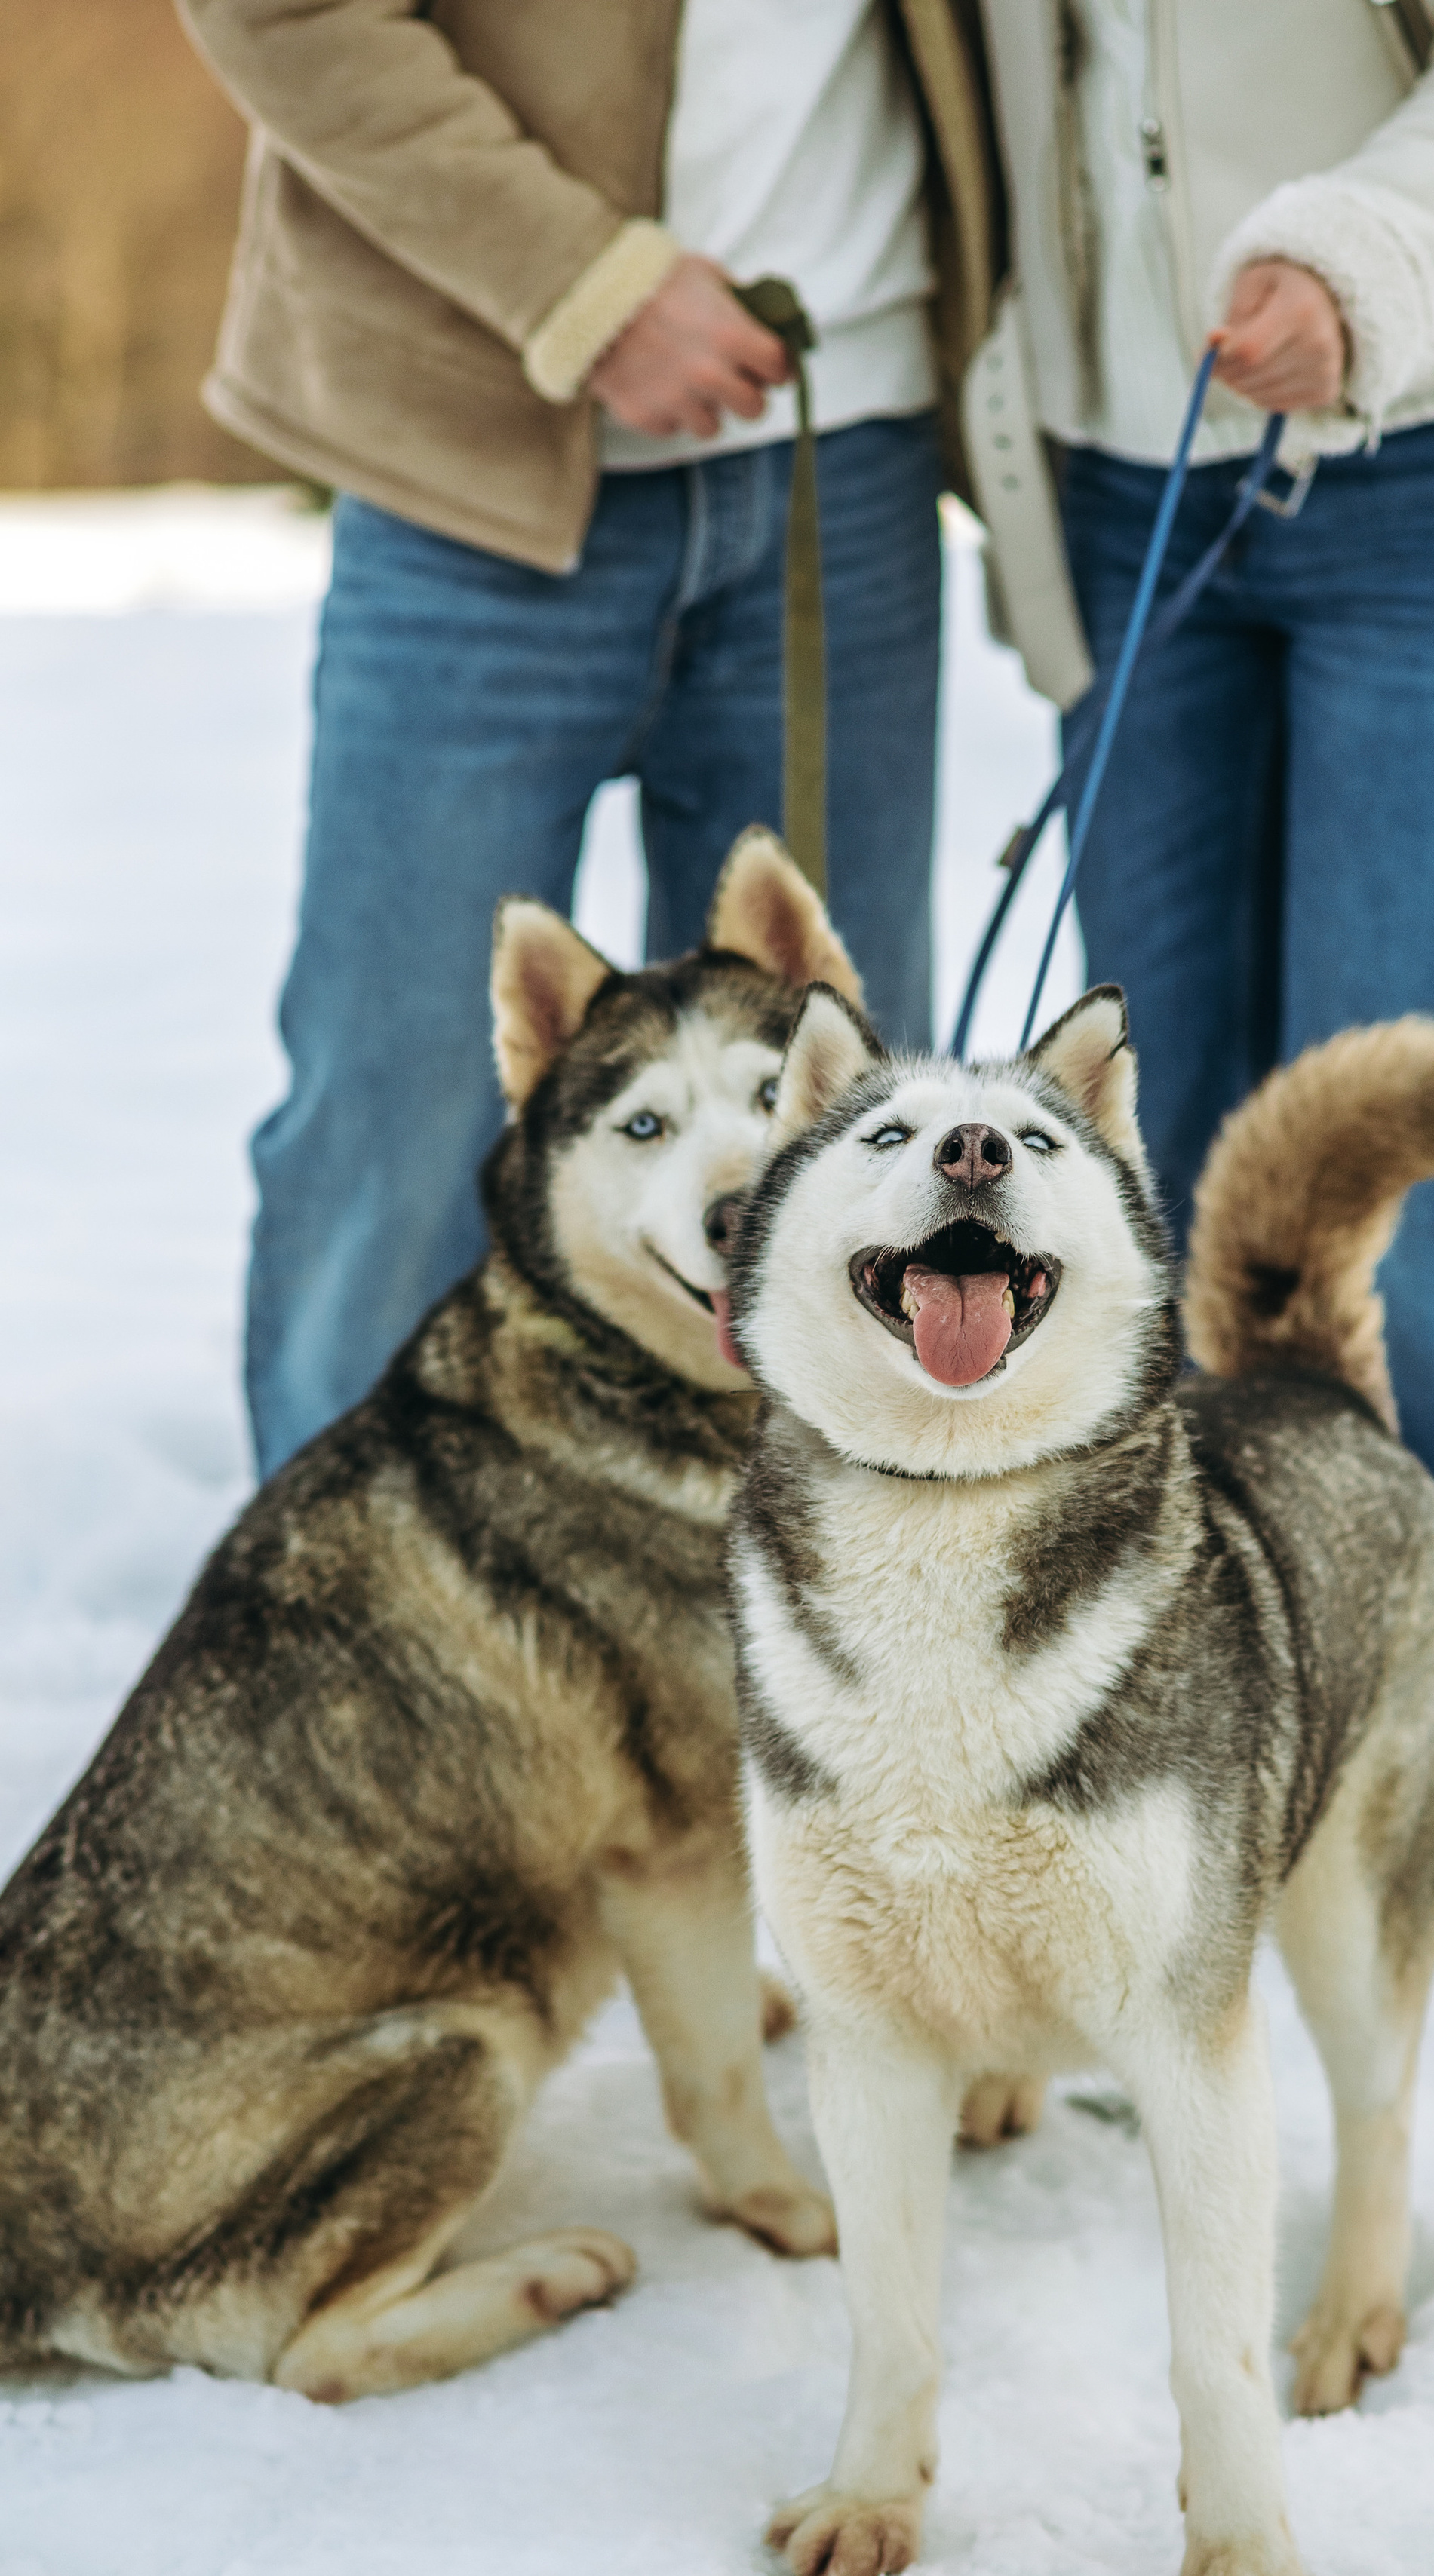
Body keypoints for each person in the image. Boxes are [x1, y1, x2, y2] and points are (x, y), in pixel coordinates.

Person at [969, 0, 1434, 1909]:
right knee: (1158, 1136)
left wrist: (1359, 246)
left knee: (1375, 1126)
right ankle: (1238, 1674)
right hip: (1127, 474)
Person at [177, 0, 998, 1477]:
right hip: (472, 446)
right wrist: (584, 286)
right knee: (402, 1108)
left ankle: (818, 1657)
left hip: (842, 442)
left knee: (837, 1117)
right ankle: (356, 1636)